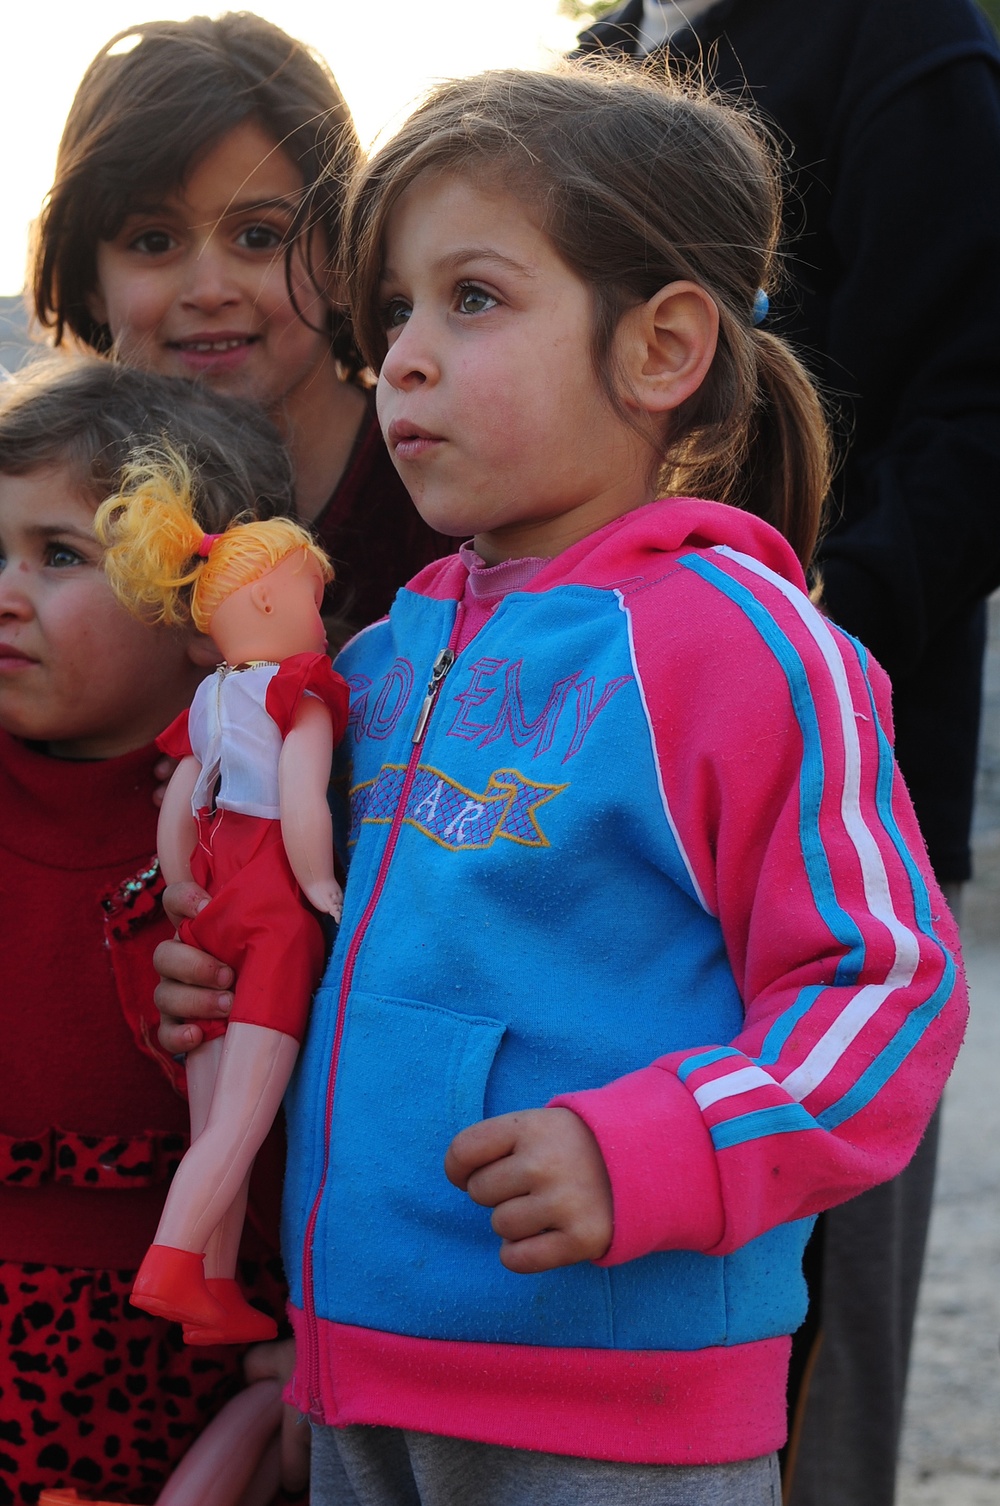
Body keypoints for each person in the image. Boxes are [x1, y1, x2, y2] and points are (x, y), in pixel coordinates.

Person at [157, 64, 967, 1506]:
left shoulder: (744, 649)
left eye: (471, 297)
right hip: (359, 1385)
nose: (401, 354)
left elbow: (883, 988)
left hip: (617, 1429)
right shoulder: (391, 655)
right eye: (392, 309)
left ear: (660, 348)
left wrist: (662, 1143)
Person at [572, 6, 1000, 1501]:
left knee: (812, 1341)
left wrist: (796, 642)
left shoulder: (899, 39)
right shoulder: (594, 65)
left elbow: (977, 408)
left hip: (829, 800)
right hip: (576, 818)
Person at [0, 358, 299, 1504]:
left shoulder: (256, 825)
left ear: (201, 614)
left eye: (60, 556)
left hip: (177, 1376)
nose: (8, 589)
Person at [30, 11, 447, 647]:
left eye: (259, 236)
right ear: (91, 275)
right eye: (153, 240)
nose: (208, 291)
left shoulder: (447, 497)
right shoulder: (39, 517)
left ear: (341, 256)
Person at [96, 469, 349, 1347]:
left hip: (209, 900)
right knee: (241, 1123)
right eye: (314, 598)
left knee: (212, 1114)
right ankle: (171, 1265)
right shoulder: (299, 684)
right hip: (275, 905)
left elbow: (175, 809)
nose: (321, 619)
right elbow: (301, 792)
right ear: (274, 596)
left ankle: (208, 1291)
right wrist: (319, 888)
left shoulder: (209, 698)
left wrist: (180, 890)